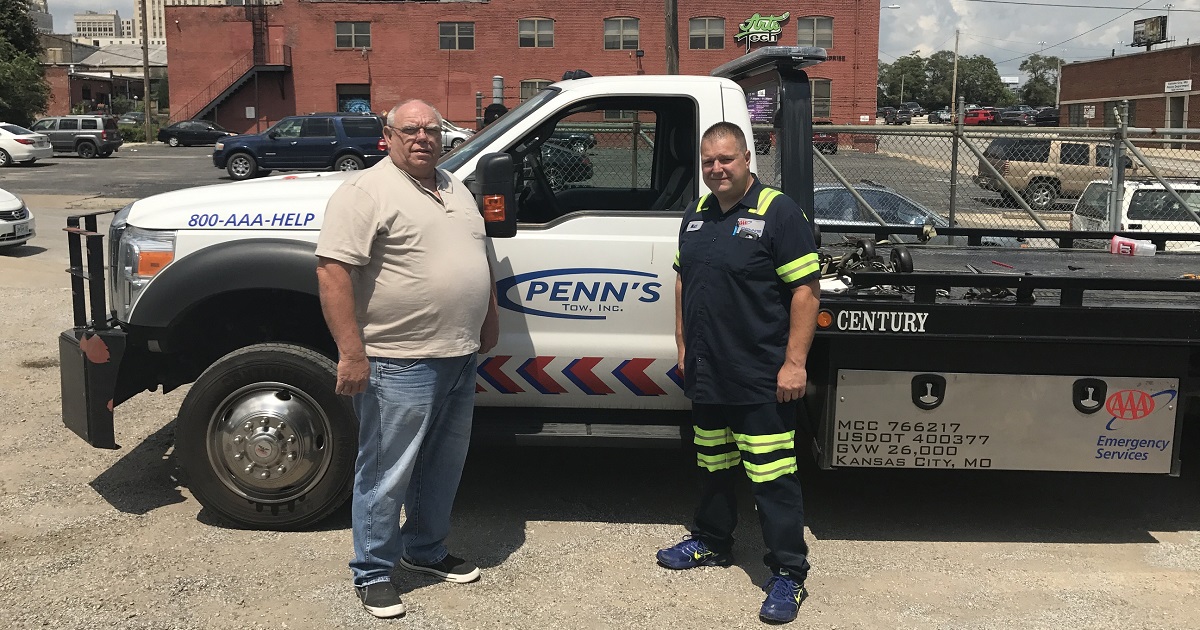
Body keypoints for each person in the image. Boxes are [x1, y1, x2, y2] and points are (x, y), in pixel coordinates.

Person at [315, 98, 499, 619]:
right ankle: (373, 571)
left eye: (431, 129)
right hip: (398, 360)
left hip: (458, 355)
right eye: (411, 129)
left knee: (442, 464)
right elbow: (332, 271)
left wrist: (488, 318)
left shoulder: (454, 187)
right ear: (388, 136)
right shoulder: (365, 192)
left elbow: (480, 257)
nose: (423, 138)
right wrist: (352, 352)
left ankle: (425, 549)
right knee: (386, 470)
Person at [658, 121, 821, 624]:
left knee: (772, 477)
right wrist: (683, 345)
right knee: (713, 464)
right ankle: (712, 539)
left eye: (726, 159)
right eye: (708, 161)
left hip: (759, 375)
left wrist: (795, 364)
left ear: (747, 158)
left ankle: (789, 572)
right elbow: (683, 281)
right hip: (708, 371)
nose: (717, 169)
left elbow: (805, 292)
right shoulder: (696, 213)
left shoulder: (779, 212)